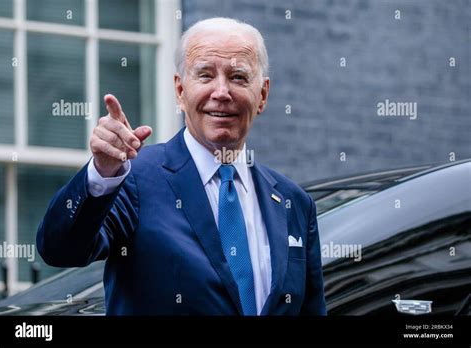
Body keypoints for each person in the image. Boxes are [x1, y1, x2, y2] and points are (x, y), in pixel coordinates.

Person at [37, 17, 326, 316]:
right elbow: (60, 248)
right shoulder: (135, 179)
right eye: (205, 75)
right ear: (180, 91)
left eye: (239, 77)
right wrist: (102, 173)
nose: (222, 92)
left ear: (262, 94)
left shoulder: (294, 203)